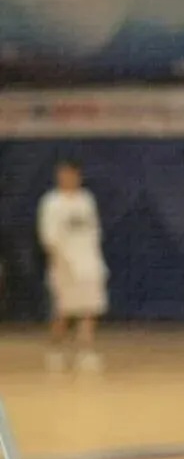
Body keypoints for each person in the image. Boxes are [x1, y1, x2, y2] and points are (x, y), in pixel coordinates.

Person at [36, 158, 109, 372]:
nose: (67, 178)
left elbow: (94, 230)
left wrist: (95, 259)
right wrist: (57, 259)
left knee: (90, 307)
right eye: (63, 174)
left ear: (78, 176)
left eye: (71, 175)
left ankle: (86, 348)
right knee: (63, 310)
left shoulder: (86, 199)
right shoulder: (51, 202)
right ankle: (56, 347)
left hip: (89, 261)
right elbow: (48, 236)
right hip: (64, 263)